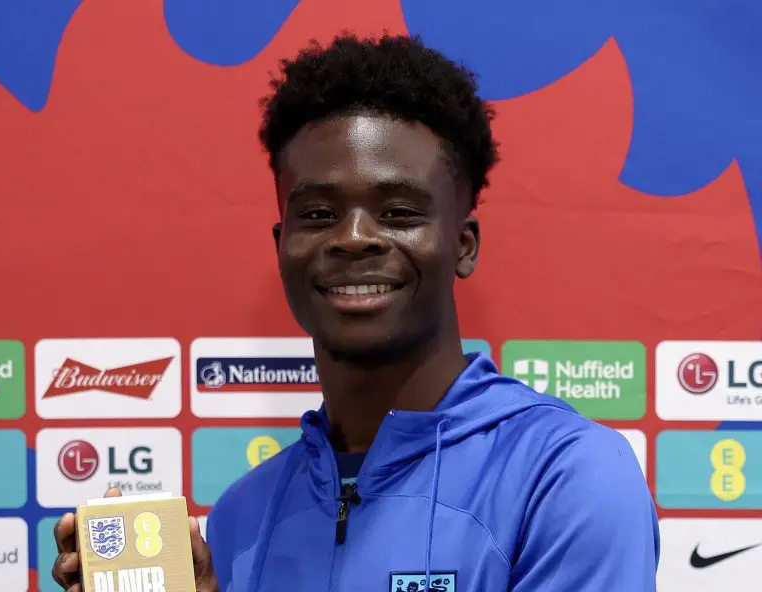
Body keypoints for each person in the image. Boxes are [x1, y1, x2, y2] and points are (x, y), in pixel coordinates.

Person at [52, 33, 660, 592]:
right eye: (318, 214)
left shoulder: (565, 476)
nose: (353, 238)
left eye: (399, 213)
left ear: (463, 246)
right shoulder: (242, 514)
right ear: (282, 246)